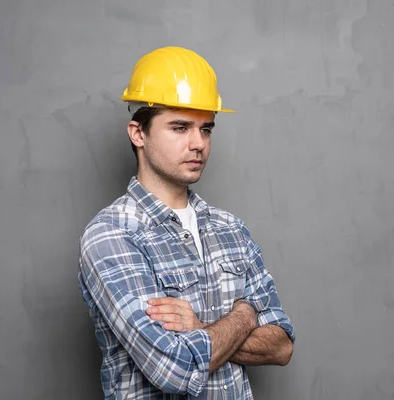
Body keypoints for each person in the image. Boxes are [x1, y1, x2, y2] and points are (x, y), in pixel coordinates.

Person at [77, 46, 295, 399]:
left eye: (206, 129)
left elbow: (282, 346)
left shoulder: (231, 230)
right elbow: (174, 367)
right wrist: (244, 315)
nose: (198, 144)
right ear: (138, 133)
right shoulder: (111, 235)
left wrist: (199, 328)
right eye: (180, 127)